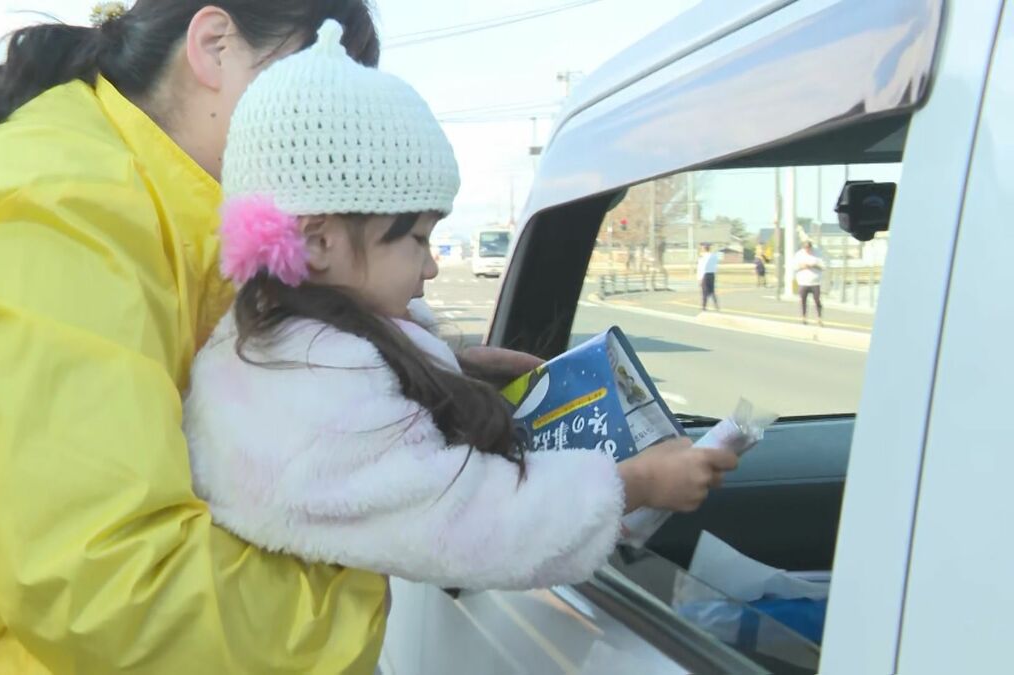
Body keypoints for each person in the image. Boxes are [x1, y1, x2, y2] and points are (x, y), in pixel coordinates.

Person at [0, 3, 478, 673]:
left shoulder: (144, 208)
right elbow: (117, 585)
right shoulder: (56, 206)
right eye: (308, 88)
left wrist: (414, 378)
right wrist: (356, 589)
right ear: (214, 45)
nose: (331, 136)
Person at [183, 22, 740, 608]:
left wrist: (451, 370)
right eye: (418, 239)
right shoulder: (307, 393)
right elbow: (470, 522)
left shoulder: (283, 352)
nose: (429, 269)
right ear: (319, 242)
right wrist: (639, 483)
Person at [794, 239, 825, 325]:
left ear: (811, 247)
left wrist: (814, 265)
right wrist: (802, 266)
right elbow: (794, 266)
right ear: (803, 248)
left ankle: (819, 318)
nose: (807, 250)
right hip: (803, 282)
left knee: (817, 300)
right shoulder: (799, 254)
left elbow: (823, 266)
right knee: (803, 300)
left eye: (809, 248)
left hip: (815, 282)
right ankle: (804, 317)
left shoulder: (817, 254)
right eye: (806, 248)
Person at [697, 243, 721, 311]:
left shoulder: (702, 256)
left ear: (704, 248)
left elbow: (701, 267)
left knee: (704, 291)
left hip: (705, 274)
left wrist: (699, 278)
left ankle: (704, 306)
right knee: (712, 291)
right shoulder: (714, 256)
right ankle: (716, 305)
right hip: (712, 274)